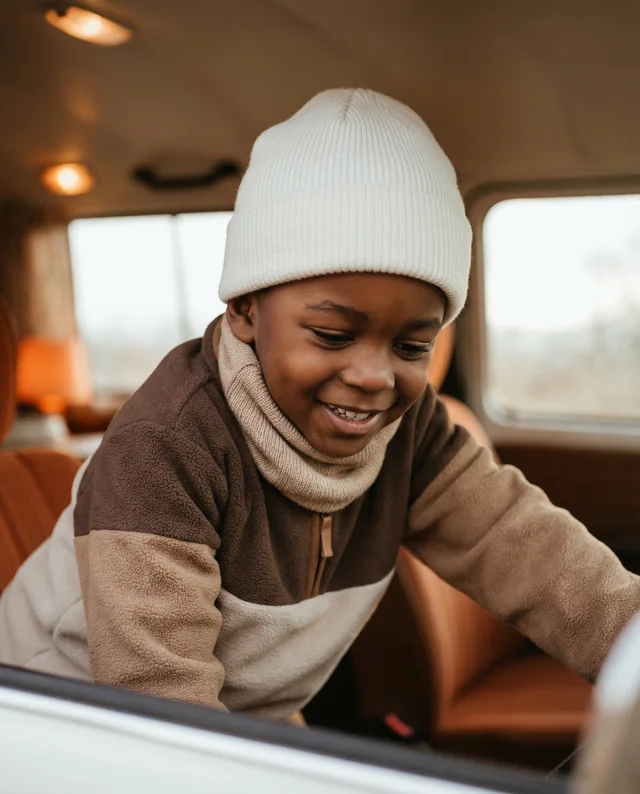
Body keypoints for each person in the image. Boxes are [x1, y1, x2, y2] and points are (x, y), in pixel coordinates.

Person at [1, 88, 639, 724]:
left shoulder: (412, 436)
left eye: (412, 346)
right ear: (246, 309)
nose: (372, 376)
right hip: (60, 729)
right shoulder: (166, 448)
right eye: (333, 335)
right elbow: (166, 714)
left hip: (240, 723)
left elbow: (534, 554)